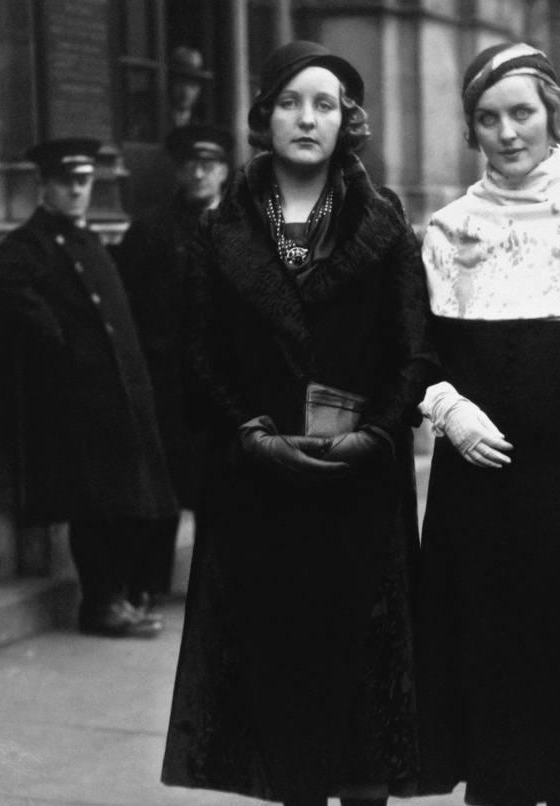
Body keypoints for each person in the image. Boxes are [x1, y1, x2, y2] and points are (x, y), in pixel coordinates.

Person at [161, 41, 437, 806]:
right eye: (290, 102)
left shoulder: (383, 224)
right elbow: (196, 356)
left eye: (325, 104)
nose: (306, 118)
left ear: (347, 121)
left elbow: (414, 352)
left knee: (364, 709)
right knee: (282, 707)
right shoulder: (222, 230)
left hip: (359, 492)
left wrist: (376, 434)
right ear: (265, 115)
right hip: (260, 494)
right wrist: (248, 433)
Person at [416, 43, 560, 806]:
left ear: (556, 117)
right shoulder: (448, 232)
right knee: (490, 683)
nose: (508, 132)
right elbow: (414, 354)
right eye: (488, 118)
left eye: (522, 113)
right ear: (471, 131)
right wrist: (445, 406)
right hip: (475, 502)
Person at [0, 138, 177, 638]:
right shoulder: (33, 243)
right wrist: (57, 338)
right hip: (79, 404)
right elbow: (0, 286)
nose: (77, 192)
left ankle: (122, 599)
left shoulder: (88, 241)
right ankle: (101, 604)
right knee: (95, 510)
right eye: (67, 183)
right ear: (43, 186)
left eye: (84, 182)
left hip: (118, 401)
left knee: (127, 504)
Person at [115, 124, 233, 612]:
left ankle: (216, 587)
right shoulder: (151, 228)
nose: (200, 173)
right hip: (168, 381)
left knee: (221, 489)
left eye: (209, 164)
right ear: (179, 171)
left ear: (226, 170)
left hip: (226, 384)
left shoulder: (246, 227)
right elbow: (130, 306)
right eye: (190, 164)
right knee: (159, 487)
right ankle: (147, 584)